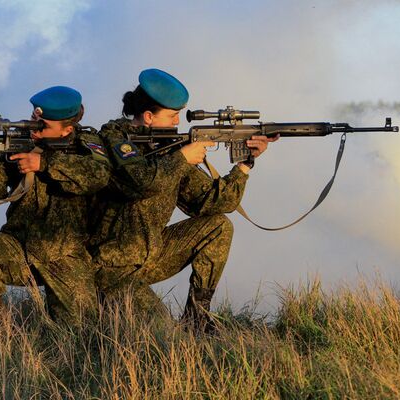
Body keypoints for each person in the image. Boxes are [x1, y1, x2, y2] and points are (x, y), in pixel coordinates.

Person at [89, 69, 277, 330]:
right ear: (148, 117)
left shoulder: (168, 147)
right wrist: (182, 158)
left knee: (219, 226)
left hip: (151, 255)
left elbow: (214, 202)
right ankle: (100, 308)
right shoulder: (113, 141)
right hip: (110, 268)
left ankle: (197, 317)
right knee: (164, 332)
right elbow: (141, 182)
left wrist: (246, 163)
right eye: (172, 115)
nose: (178, 121)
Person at [0, 86, 111, 325]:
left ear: (67, 129)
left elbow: (98, 175)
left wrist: (44, 163)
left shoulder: (87, 144)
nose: (34, 128)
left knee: (80, 331)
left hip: (67, 255)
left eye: (42, 125)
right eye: (34, 118)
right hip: (20, 246)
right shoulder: (20, 141)